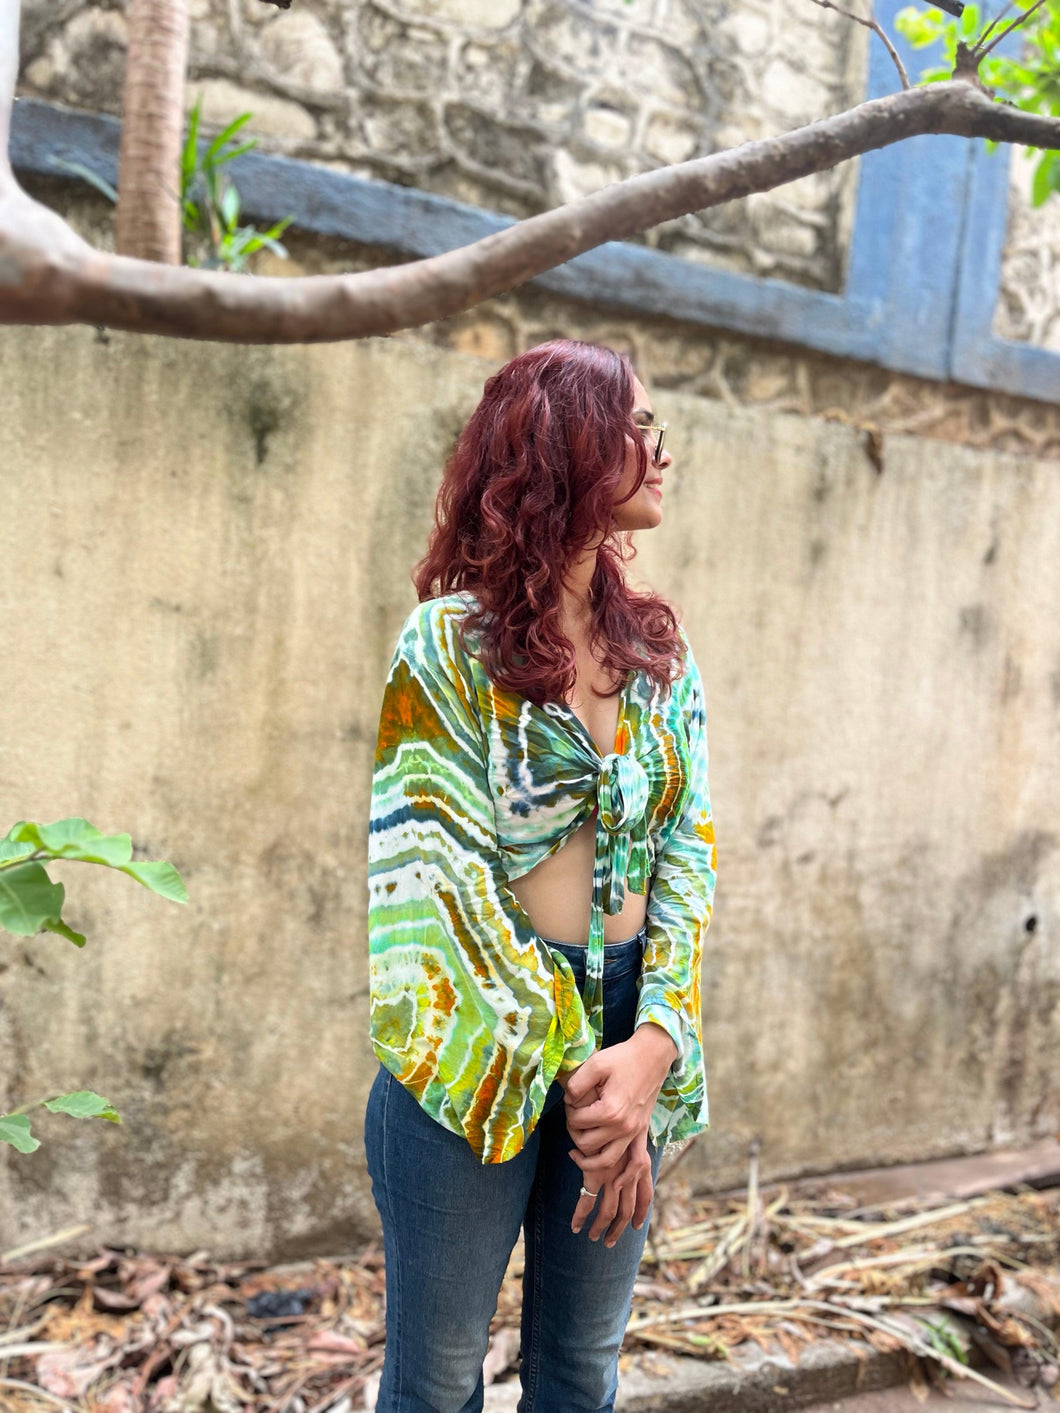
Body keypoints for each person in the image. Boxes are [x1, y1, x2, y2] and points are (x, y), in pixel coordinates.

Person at [364, 338, 716, 1413]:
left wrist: (652, 1045)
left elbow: (688, 852)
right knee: (435, 1386)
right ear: (565, 446)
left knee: (580, 1371)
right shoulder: (445, 649)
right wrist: (592, 1074)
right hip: (472, 1042)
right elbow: (434, 888)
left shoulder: (657, 653)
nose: (661, 453)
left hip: (626, 1041)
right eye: (637, 429)